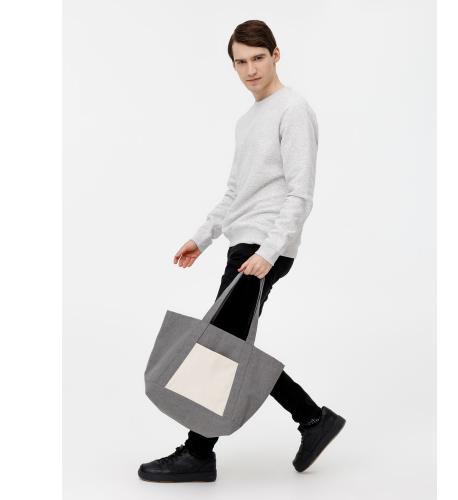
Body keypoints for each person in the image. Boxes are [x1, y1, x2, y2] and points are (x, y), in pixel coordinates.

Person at [138, 19, 346, 483]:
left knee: (220, 348)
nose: (250, 69)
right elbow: (236, 193)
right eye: (240, 62)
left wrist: (269, 251)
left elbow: (301, 193)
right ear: (232, 66)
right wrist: (202, 236)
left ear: (276, 55)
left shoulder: (293, 109)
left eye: (258, 58)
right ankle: (312, 419)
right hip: (243, 245)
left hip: (263, 247)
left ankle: (199, 453)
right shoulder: (248, 120)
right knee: (227, 346)